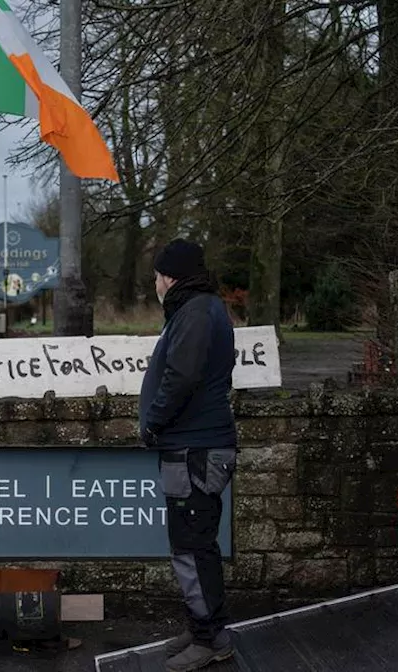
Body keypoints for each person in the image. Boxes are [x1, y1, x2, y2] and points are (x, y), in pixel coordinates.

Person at [139, 239, 238, 672]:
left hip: (194, 449)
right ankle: (205, 630)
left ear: (171, 277)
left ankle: (208, 639)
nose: (156, 284)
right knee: (194, 544)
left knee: (193, 546)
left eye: (158, 277)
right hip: (195, 447)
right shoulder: (198, 309)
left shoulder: (195, 312)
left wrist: (153, 422)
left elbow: (181, 377)